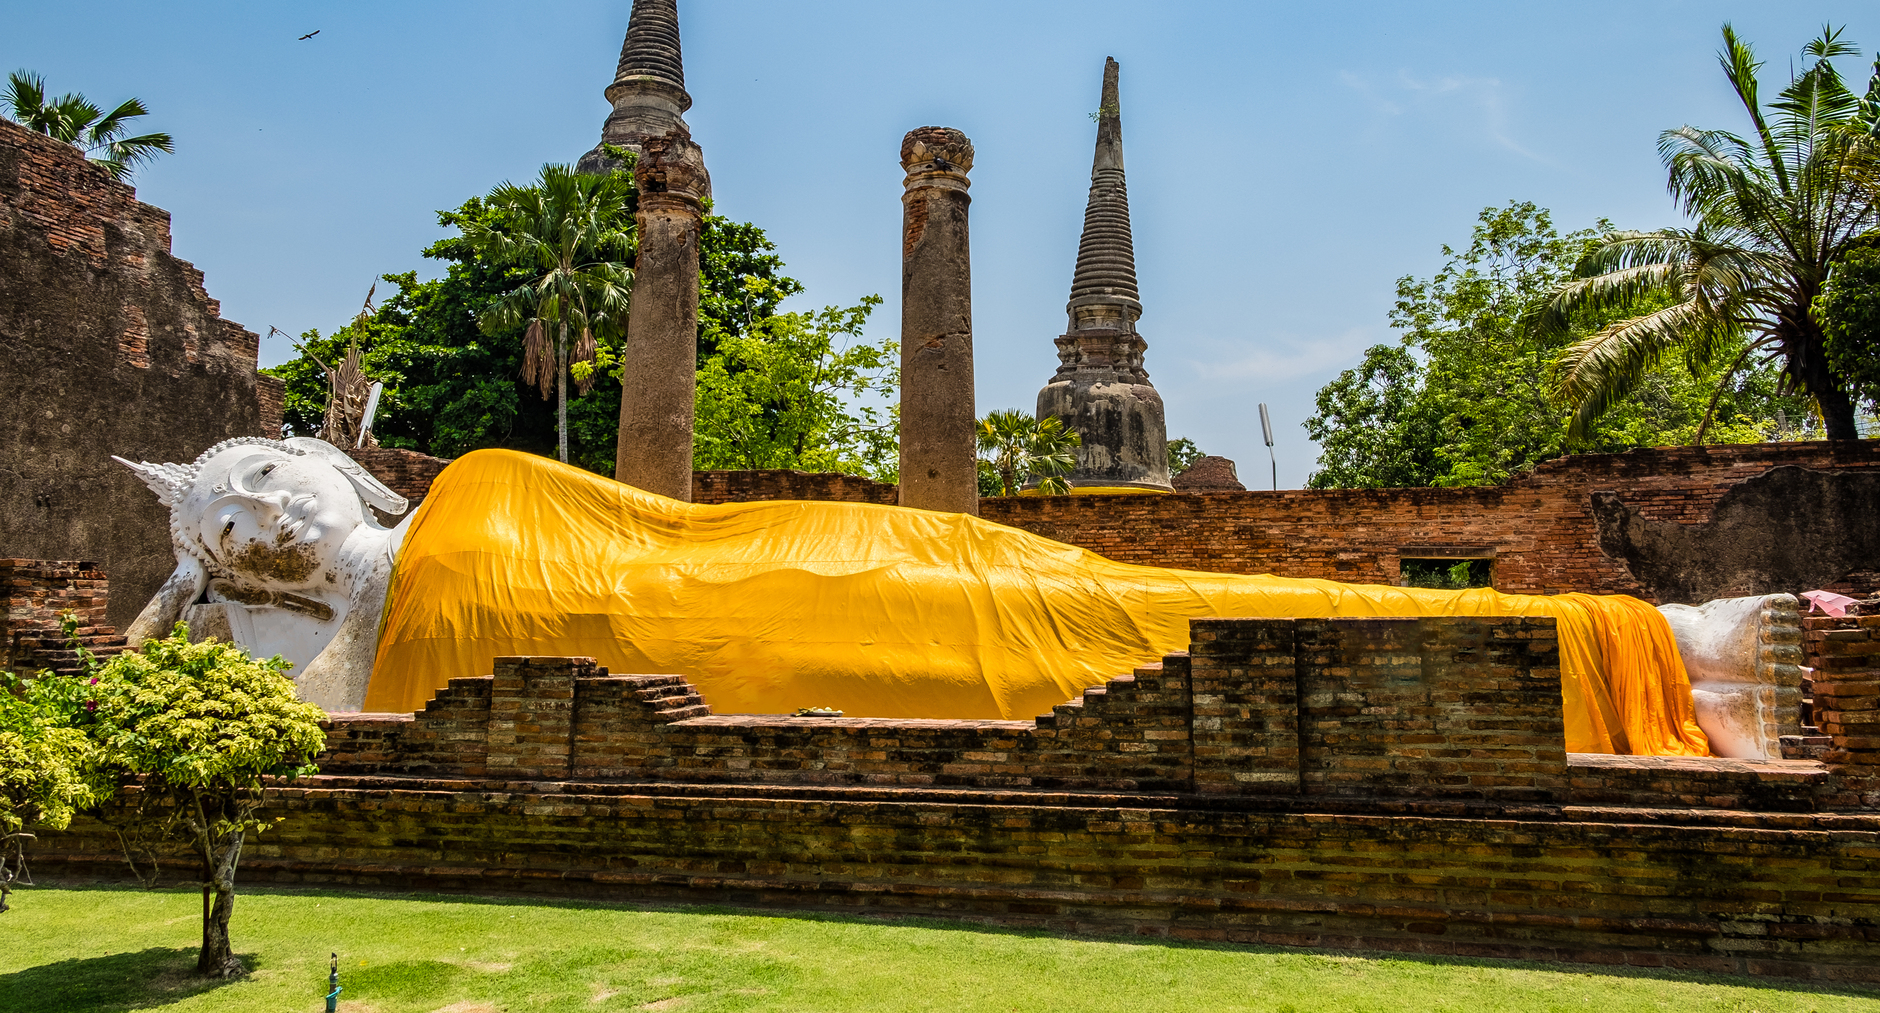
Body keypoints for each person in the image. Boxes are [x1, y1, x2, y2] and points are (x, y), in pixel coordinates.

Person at [119, 440, 1721, 756]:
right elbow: (270, 714)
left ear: (328, 465)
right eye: (230, 521)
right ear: (229, 563)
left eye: (260, 473)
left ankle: (1618, 638)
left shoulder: (479, 477)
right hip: (741, 671)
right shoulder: (341, 659)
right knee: (1098, 660)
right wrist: (195, 604)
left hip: (776, 563)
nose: (263, 508)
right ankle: (1613, 648)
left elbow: (661, 518)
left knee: (1093, 595)